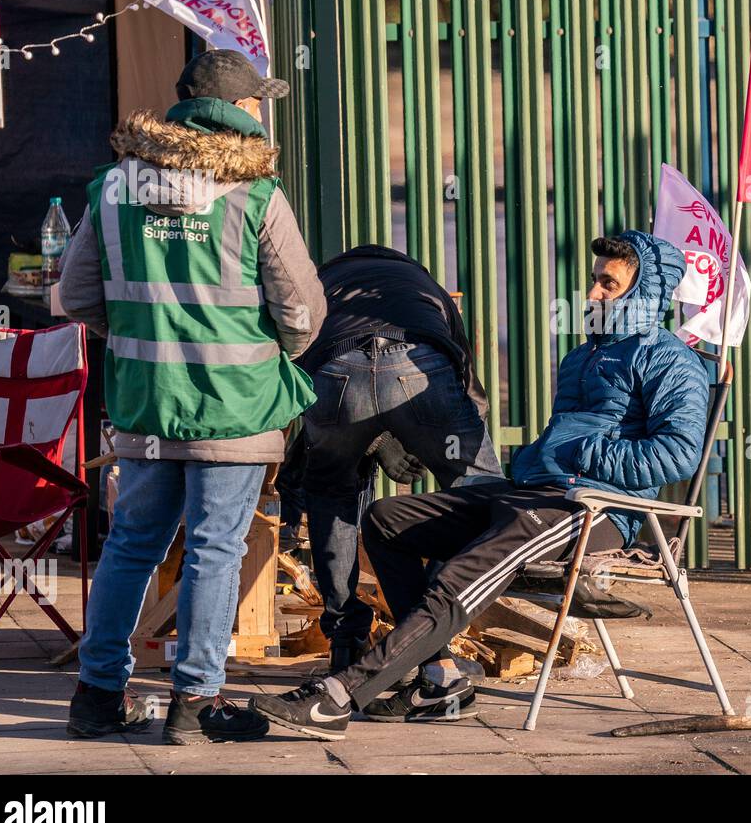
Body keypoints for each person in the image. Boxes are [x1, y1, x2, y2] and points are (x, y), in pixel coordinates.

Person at [250, 230, 709, 737]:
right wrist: (544, 457)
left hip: (595, 509)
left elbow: (679, 454)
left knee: (467, 570)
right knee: (387, 519)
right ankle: (437, 677)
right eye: (594, 281)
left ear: (643, 292)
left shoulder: (670, 362)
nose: (594, 294)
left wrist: (578, 453)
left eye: (609, 284)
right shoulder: (582, 357)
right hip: (539, 491)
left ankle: (339, 694)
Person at [58, 49, 326, 745]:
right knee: (214, 546)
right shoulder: (257, 195)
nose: (260, 114)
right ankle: (194, 701)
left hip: (147, 399)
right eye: (255, 103)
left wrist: (143, 340)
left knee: (131, 543)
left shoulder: (114, 188)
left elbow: (75, 295)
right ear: (235, 112)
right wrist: (264, 358)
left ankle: (95, 696)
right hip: (234, 407)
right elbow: (303, 312)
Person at [278, 244, 505, 676]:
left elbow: (295, 379)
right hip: (420, 367)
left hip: (335, 375)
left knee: (333, 499)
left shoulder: (319, 287)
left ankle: (345, 642)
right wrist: (430, 436)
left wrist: (369, 435)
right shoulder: (426, 288)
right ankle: (432, 629)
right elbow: (469, 391)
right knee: (482, 497)